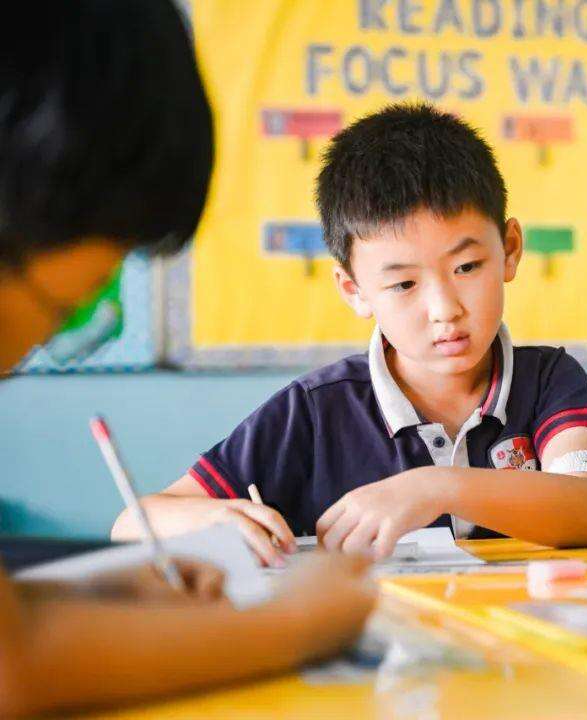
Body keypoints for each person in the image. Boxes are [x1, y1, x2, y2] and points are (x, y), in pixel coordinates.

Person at [0, 2, 374, 715]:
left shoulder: (541, 379)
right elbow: (12, 669)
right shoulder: (313, 405)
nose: (21, 363)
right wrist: (297, 624)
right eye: (63, 309)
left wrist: (106, 589)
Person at [115, 103, 587, 564]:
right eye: (404, 283)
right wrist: (215, 519)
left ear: (510, 249)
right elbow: (133, 523)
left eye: (467, 267)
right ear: (355, 289)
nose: (444, 310)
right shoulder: (314, 411)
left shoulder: (546, 380)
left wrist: (436, 487)